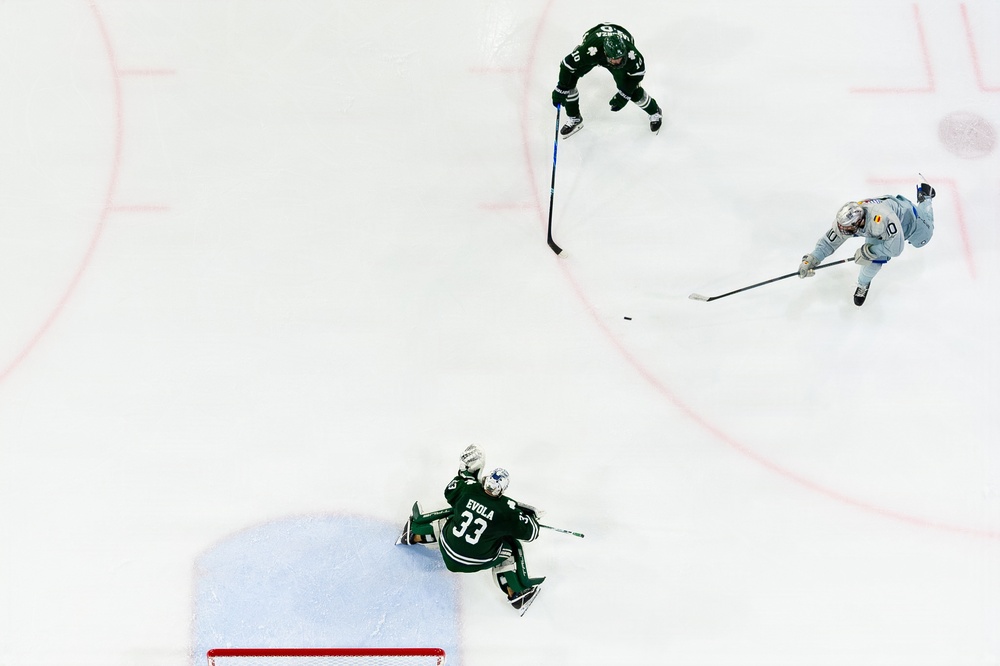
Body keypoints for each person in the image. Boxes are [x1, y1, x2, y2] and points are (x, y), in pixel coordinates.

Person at [396, 445, 545, 615]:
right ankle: (517, 593)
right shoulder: (507, 510)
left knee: (449, 521)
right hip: (475, 562)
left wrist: (465, 473)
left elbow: (450, 490)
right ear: (502, 490)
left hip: (448, 549)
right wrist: (530, 516)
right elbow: (531, 533)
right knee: (511, 549)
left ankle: (414, 535)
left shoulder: (469, 489)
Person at [798, 181, 936, 306]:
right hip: (881, 229)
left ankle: (925, 197)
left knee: (924, 236)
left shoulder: (880, 220)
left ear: (859, 223)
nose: (842, 232)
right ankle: (863, 283)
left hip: (909, 221)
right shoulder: (847, 220)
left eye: (847, 230)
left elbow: (896, 248)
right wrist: (811, 259)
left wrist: (869, 251)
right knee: (872, 262)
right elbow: (829, 242)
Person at [551, 23, 662, 137]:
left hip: (621, 36)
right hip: (595, 43)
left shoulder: (631, 54)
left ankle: (655, 111)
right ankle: (574, 117)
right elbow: (567, 65)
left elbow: (637, 75)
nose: (618, 62)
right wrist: (561, 88)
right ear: (605, 54)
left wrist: (625, 94)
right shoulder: (590, 50)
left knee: (632, 90)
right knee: (569, 80)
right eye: (614, 60)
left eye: (620, 58)